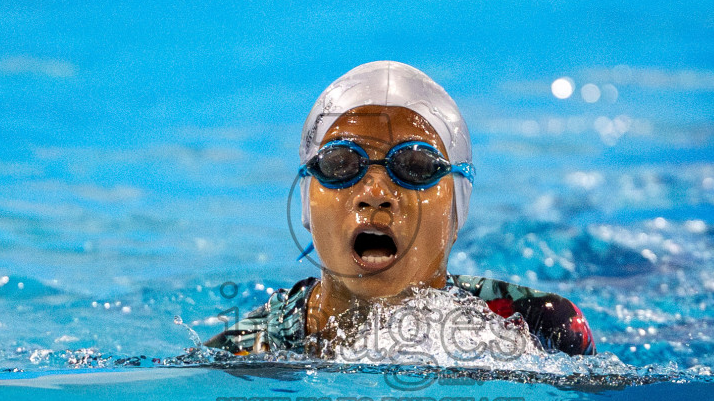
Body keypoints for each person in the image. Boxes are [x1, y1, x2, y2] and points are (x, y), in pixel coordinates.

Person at [205, 61, 595, 358]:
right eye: (341, 164)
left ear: (458, 208)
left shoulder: (534, 327)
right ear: (307, 202)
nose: (374, 193)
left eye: (415, 167)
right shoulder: (247, 349)